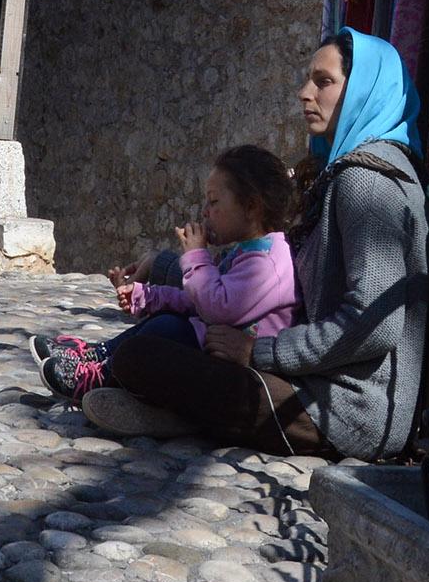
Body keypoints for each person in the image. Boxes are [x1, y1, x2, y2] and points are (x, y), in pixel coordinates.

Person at [80, 29, 429, 460]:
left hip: (343, 411)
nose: (305, 93)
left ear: (363, 90)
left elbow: (374, 324)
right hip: (312, 384)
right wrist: (168, 265)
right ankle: (174, 413)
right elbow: (274, 276)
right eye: (308, 79)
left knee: (142, 356)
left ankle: (175, 412)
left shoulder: (367, 183)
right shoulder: (345, 173)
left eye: (324, 81)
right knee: (172, 336)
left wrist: (258, 352)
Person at [30, 145, 297, 400]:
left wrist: (195, 256)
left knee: (168, 328)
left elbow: (216, 307)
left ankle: (101, 377)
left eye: (214, 202)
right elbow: (198, 301)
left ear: (251, 207)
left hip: (240, 373)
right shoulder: (245, 251)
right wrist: (149, 296)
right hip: (213, 349)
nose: (205, 212)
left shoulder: (269, 262)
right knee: (166, 319)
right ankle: (96, 357)